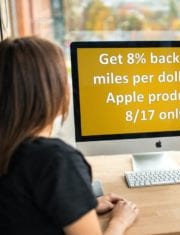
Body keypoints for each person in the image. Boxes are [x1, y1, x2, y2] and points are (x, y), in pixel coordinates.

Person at [0, 36, 139, 235]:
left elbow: (25, 211)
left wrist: (79, 205)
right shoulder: (55, 160)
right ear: (53, 91)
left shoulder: (9, 150)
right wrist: (119, 222)